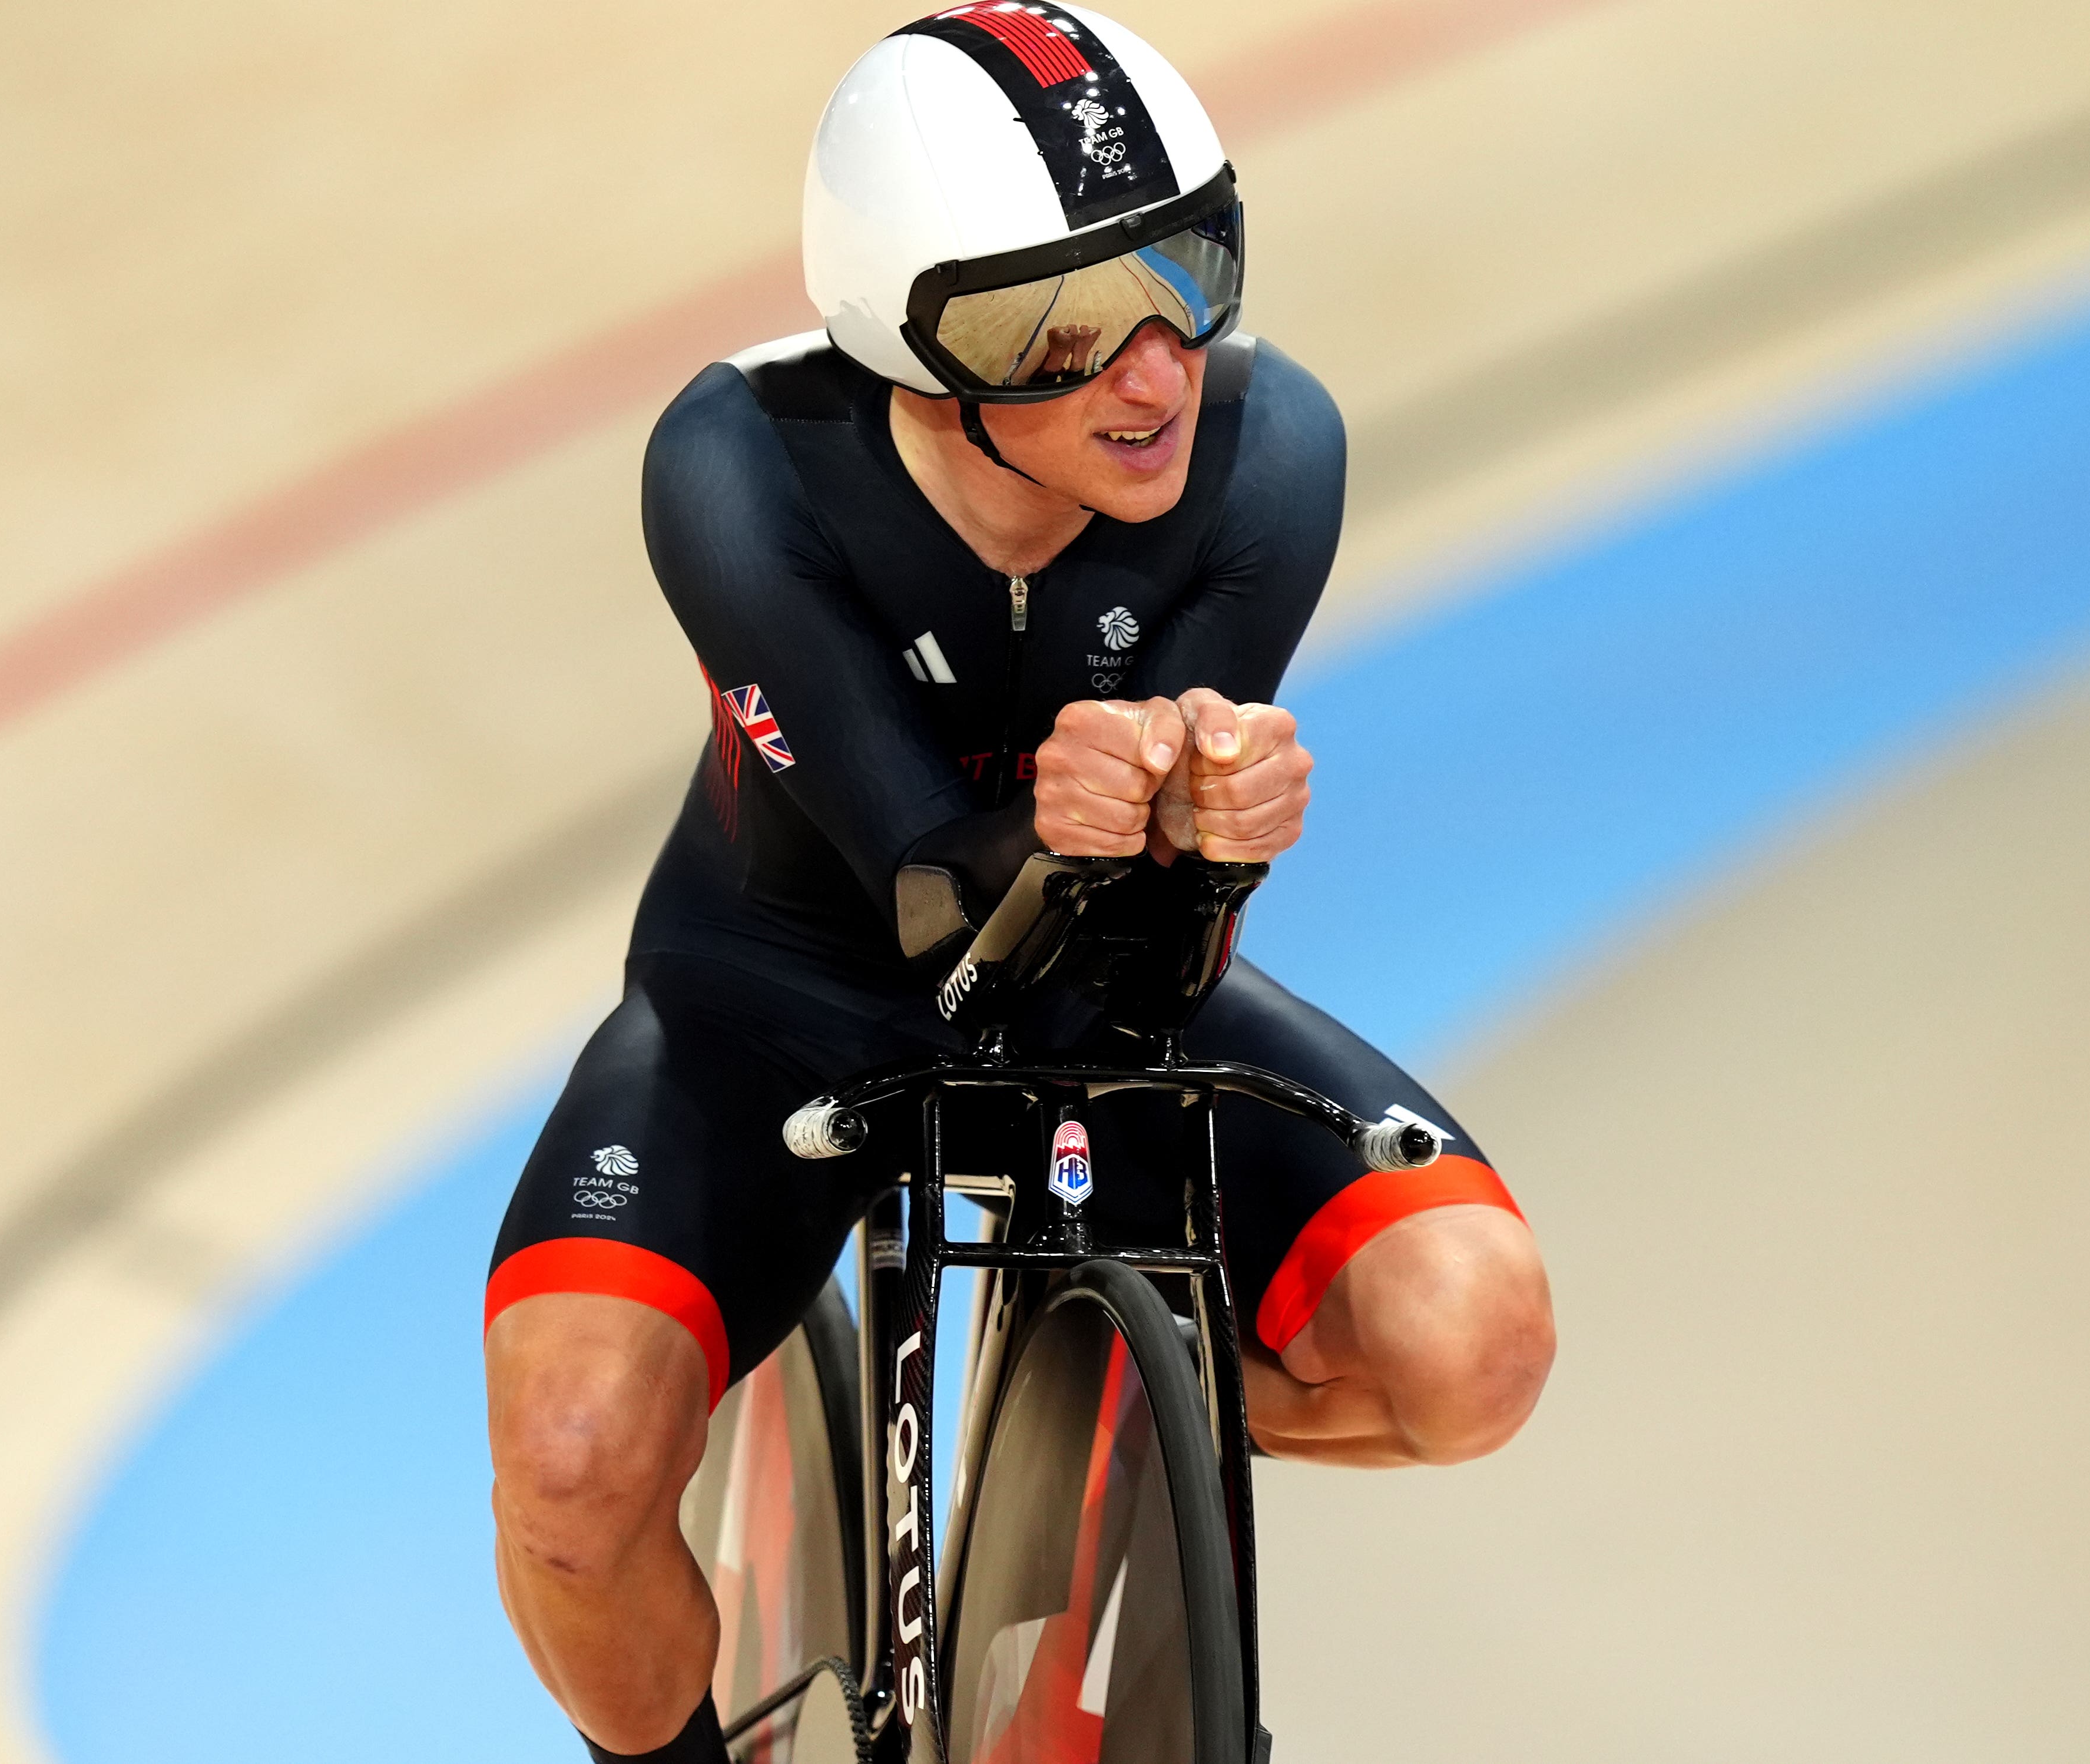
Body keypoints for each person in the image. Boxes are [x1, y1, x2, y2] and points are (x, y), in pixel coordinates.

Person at [481, 7, 1554, 1759]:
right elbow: (919, 886)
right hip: (772, 997)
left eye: (1178, 275)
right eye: (1048, 328)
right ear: (911, 348)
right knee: (574, 1472)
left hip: (1096, 1005)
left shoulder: (1269, 442)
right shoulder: (737, 464)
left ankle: (1149, 1404)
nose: (1147, 372)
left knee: (1471, 1354)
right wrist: (1042, 825)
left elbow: (1145, 951)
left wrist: (1210, 838)